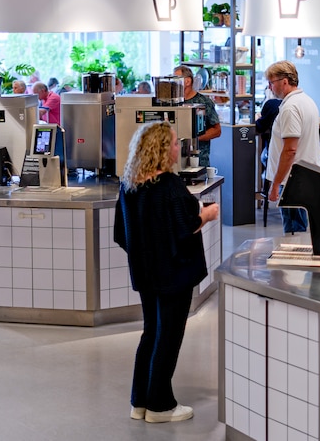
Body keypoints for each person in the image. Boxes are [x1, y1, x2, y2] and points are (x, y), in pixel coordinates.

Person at [114, 121, 219, 423]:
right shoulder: (170, 186)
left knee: (151, 332)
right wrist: (206, 215)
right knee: (169, 336)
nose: (178, 148)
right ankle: (160, 406)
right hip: (174, 275)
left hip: (145, 273)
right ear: (162, 150)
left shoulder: (129, 185)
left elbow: (122, 233)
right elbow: (185, 227)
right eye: (174, 143)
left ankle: (140, 401)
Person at [265, 60, 320, 233]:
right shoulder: (306, 101)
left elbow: (290, 150)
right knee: (299, 230)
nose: (270, 87)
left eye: (272, 82)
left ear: (284, 82)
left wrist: (276, 183)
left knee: (294, 234)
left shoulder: (290, 107)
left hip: (291, 180)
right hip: (303, 176)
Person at [173, 65, 221, 167]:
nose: (173, 83)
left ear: (187, 81)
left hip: (199, 160)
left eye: (176, 79)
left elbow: (217, 130)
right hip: (175, 160)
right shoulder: (173, 103)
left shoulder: (204, 102)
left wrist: (193, 139)